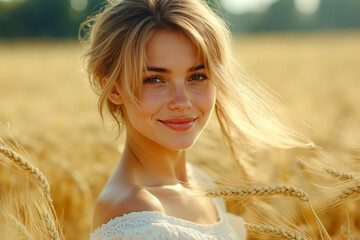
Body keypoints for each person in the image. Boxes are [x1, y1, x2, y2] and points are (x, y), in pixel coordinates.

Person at [80, 0, 313, 239]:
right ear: (114, 89)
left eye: (198, 76)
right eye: (154, 80)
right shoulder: (136, 210)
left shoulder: (201, 182)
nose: (182, 101)